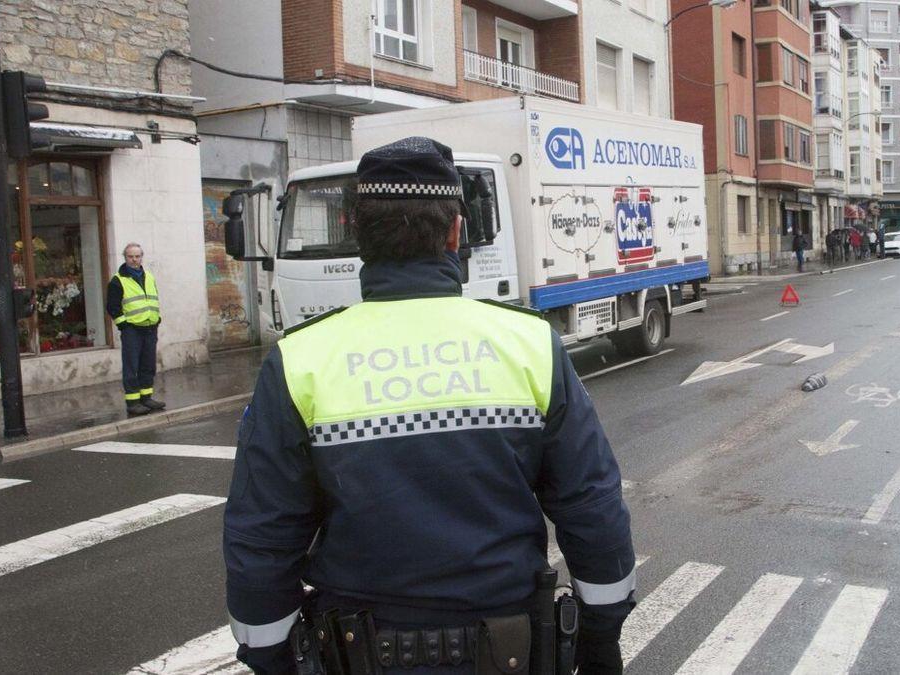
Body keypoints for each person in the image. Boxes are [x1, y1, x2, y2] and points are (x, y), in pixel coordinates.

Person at [223, 137, 636, 675]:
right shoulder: (530, 345)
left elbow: (261, 534)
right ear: (456, 231)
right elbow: (591, 505)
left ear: (356, 231)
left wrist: (271, 657)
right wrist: (601, 638)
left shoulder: (300, 359)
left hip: (357, 652)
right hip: (508, 650)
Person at [106, 243, 164, 416]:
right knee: (131, 365)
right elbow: (112, 306)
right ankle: (132, 402)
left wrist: (157, 318)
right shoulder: (118, 280)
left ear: (141, 257)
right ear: (125, 257)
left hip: (150, 327)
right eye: (131, 256)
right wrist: (123, 324)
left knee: (148, 364)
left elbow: (152, 299)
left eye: (137, 256)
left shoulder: (149, 276)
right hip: (132, 329)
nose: (134, 259)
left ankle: (146, 397)